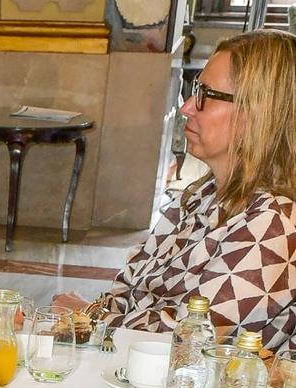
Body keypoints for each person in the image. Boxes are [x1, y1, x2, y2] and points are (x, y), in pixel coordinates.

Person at [58, 30, 296, 350]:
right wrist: (86, 316)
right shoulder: (200, 196)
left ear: (257, 114)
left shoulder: (274, 223)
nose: (186, 107)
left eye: (205, 95)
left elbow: (186, 342)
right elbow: (126, 292)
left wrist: (84, 318)